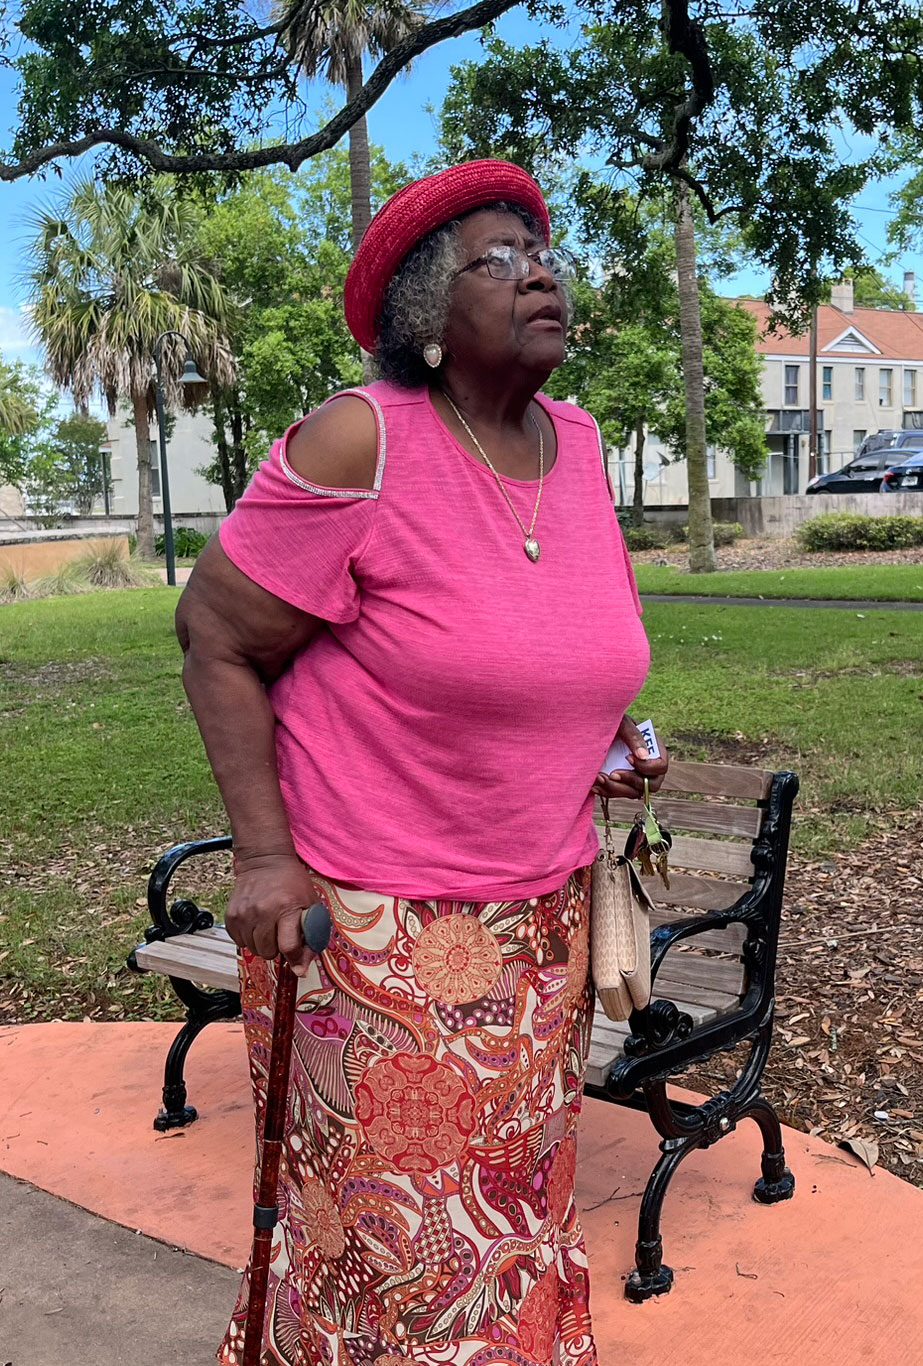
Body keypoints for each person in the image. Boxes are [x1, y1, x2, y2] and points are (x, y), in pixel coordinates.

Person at [177, 158, 667, 1366]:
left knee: (511, 1225)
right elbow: (214, 635)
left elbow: (555, 642)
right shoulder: (364, 440)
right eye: (495, 259)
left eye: (543, 252)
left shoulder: (577, 443)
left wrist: (599, 740)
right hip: (372, 935)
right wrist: (262, 856)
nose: (537, 273)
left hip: (536, 928)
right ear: (423, 317)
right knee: (390, 1253)